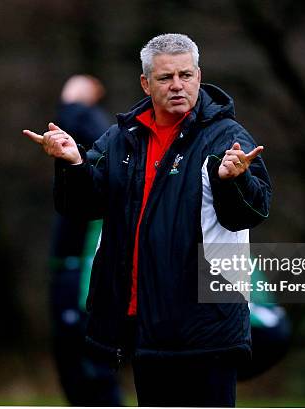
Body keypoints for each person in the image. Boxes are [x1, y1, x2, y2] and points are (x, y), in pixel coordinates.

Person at [24, 33, 272, 407]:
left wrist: (234, 181)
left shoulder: (227, 136)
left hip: (206, 325)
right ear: (146, 82)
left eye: (186, 75)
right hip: (142, 326)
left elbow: (250, 213)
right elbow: (83, 207)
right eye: (165, 77)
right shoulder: (122, 138)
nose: (177, 86)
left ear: (199, 76)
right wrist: (73, 163)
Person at [48, 75, 123, 406]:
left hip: (84, 275)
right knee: (72, 371)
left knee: (92, 371)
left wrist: (75, 102)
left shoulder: (112, 151)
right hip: (68, 272)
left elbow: (98, 139)